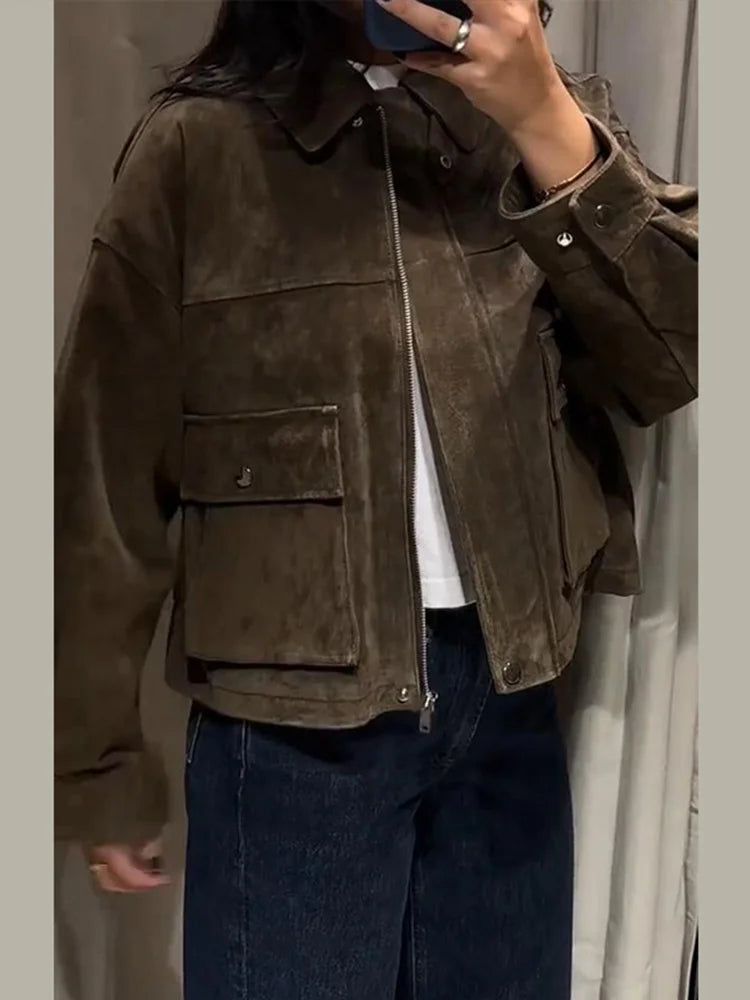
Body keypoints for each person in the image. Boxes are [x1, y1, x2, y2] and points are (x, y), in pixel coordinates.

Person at [54, 1, 698, 997]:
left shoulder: (543, 121)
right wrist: (94, 766)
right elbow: (102, 482)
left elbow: (678, 355)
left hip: (510, 702)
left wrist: (545, 124)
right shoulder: (198, 151)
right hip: (293, 732)